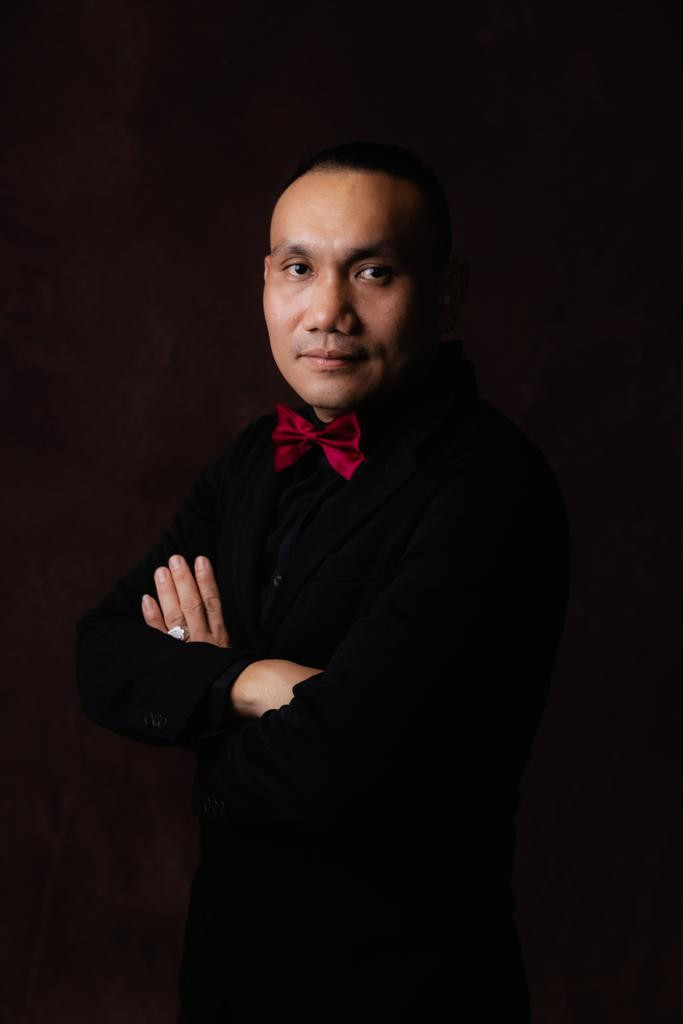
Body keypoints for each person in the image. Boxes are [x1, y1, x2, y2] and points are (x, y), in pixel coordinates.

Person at [75, 140, 571, 1022]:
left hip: (408, 993)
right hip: (229, 982)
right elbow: (102, 654)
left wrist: (197, 690)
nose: (327, 311)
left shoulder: (492, 486)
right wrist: (253, 681)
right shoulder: (250, 461)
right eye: (298, 269)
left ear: (444, 293)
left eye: (372, 272)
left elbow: (339, 765)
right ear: (266, 282)